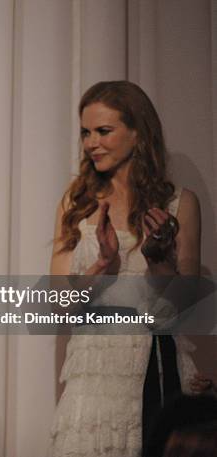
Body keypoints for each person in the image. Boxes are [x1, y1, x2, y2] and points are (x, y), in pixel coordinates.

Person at [48, 81, 205, 457]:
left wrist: (159, 258)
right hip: (93, 371)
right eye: (86, 132)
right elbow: (56, 305)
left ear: (138, 133)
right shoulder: (77, 201)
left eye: (104, 131)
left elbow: (183, 308)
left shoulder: (180, 204)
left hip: (156, 366)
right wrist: (103, 262)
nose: (91, 143)